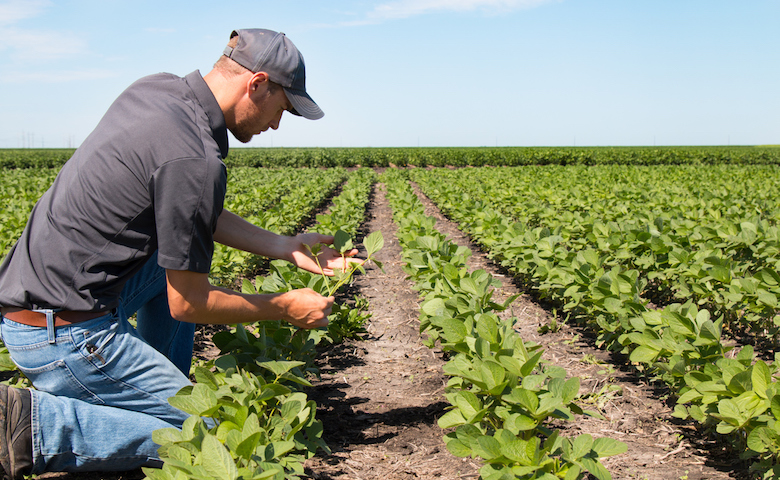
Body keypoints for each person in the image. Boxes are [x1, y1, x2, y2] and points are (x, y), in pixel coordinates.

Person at [0, 28, 353, 478]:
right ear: (258, 83)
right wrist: (285, 306)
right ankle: (35, 425)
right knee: (211, 441)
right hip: (63, 336)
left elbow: (186, 210)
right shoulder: (195, 158)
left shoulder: (158, 90)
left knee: (172, 258)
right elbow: (189, 303)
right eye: (282, 108)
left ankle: (150, 392)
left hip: (38, 303)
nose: (277, 125)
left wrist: (284, 246)